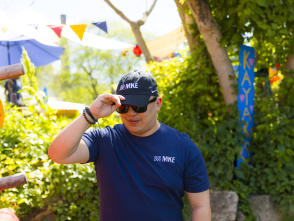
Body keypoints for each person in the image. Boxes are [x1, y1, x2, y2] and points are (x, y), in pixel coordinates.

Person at [48, 70, 211, 221]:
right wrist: (91, 114)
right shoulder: (105, 140)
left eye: (139, 106)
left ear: (158, 104)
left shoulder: (184, 147)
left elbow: (200, 206)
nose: (131, 113)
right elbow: (58, 154)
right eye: (124, 107)